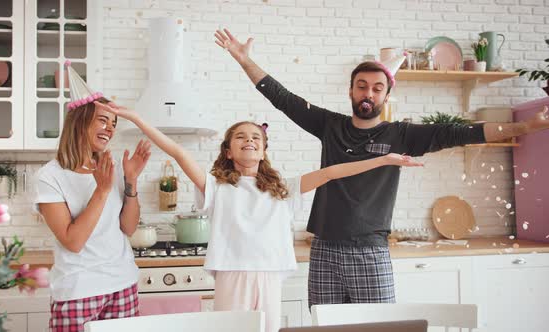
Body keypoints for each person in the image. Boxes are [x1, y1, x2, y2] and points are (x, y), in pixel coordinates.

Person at [214, 28, 549, 307]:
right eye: (362, 86)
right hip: (324, 250)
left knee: (380, 328)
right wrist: (243, 59)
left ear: (386, 96)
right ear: (350, 90)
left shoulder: (401, 135)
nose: (368, 93)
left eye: (377, 88)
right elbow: (282, 97)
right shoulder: (330, 125)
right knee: (325, 328)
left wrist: (525, 128)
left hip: (370, 252)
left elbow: (466, 132)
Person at [95, 100, 423, 332]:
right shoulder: (217, 186)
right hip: (232, 273)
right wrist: (137, 119)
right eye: (240, 137)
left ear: (263, 151)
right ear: (228, 150)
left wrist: (382, 161)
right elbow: (179, 153)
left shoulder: (283, 188)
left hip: (269, 274)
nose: (249, 141)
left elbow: (332, 173)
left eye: (256, 138)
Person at [34, 62, 151, 331]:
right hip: (78, 290)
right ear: (81, 120)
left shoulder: (113, 168)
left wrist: (131, 180)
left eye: (113, 123)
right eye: (102, 119)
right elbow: (73, 241)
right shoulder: (50, 176)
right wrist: (101, 190)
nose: (110, 128)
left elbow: (128, 228)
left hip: (123, 284)